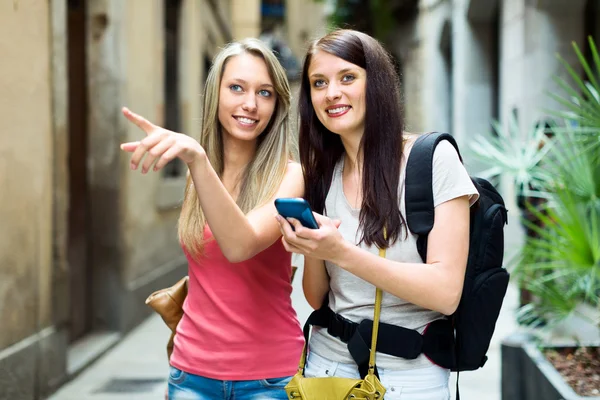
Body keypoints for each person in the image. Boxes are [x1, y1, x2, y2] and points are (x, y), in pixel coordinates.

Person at [275, 29, 479, 399]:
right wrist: (312, 248)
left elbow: (446, 293)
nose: (331, 93)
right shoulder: (323, 171)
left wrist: (341, 252)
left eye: (347, 77)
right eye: (319, 82)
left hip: (407, 377)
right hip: (325, 367)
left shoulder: (432, 160)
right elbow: (317, 297)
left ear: (377, 83)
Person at [120, 38, 304, 400]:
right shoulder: (197, 176)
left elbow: (241, 245)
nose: (250, 104)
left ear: (278, 105)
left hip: (270, 379)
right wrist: (201, 165)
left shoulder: (291, 176)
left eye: (264, 93)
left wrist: (198, 160)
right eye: (237, 88)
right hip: (191, 375)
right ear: (215, 94)